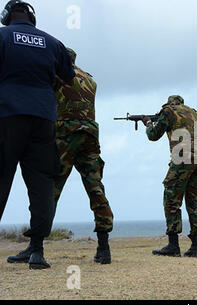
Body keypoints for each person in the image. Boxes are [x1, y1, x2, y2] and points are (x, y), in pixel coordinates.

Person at [1, 0, 75, 269]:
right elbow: (68, 77)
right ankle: (37, 251)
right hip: (44, 119)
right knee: (42, 183)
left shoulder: (3, 36)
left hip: (7, 116)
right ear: (31, 18)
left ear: (7, 16)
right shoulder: (53, 43)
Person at [52, 48, 114, 264]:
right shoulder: (89, 79)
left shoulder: (57, 74)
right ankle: (104, 248)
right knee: (96, 188)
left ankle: (35, 247)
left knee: (50, 188)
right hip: (90, 134)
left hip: (65, 133)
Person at [145, 96, 197, 258]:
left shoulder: (169, 111)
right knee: (194, 202)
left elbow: (153, 135)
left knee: (171, 199)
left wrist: (149, 123)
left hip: (181, 159)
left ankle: (173, 245)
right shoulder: (194, 113)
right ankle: (196, 245)